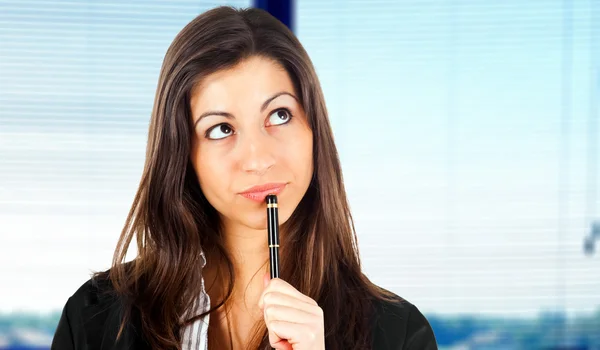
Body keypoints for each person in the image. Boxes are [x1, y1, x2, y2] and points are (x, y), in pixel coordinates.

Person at [50, 6, 438, 350]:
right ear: (183, 154)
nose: (258, 159)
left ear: (314, 128)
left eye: (280, 115)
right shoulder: (93, 322)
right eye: (220, 128)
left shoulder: (399, 334)